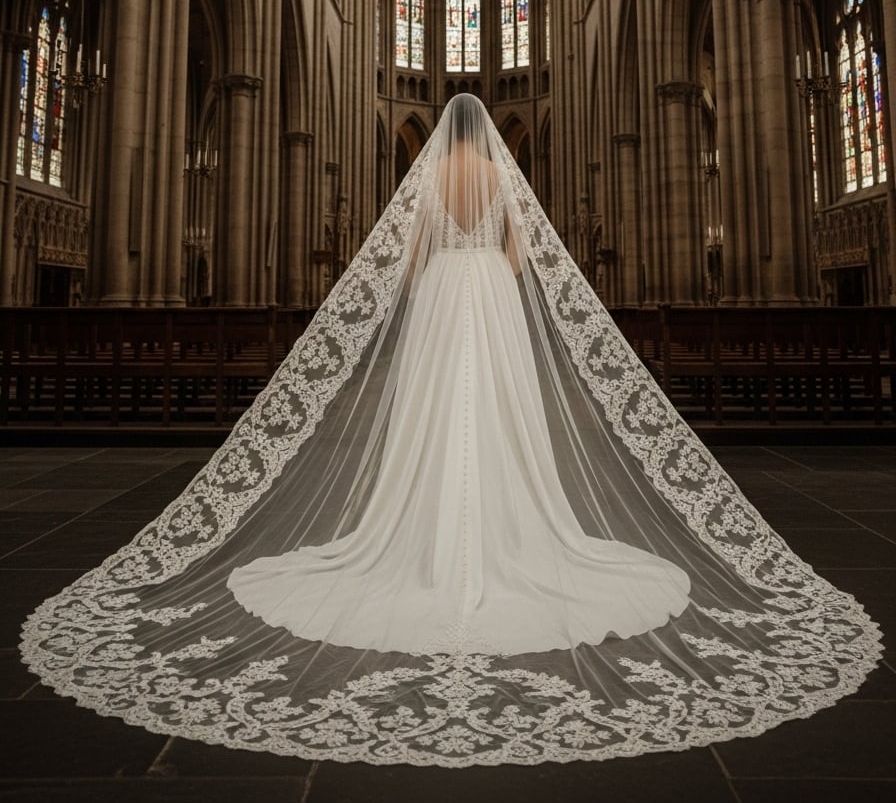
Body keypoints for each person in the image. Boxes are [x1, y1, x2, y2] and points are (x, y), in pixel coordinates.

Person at [21, 95, 880, 767]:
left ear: (438, 139)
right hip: (493, 300)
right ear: (490, 137)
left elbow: (404, 257)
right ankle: (515, 536)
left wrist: (444, 274)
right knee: (501, 420)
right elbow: (521, 252)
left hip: (440, 296)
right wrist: (489, 276)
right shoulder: (504, 178)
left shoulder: (428, 181)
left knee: (432, 421)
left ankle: (422, 544)